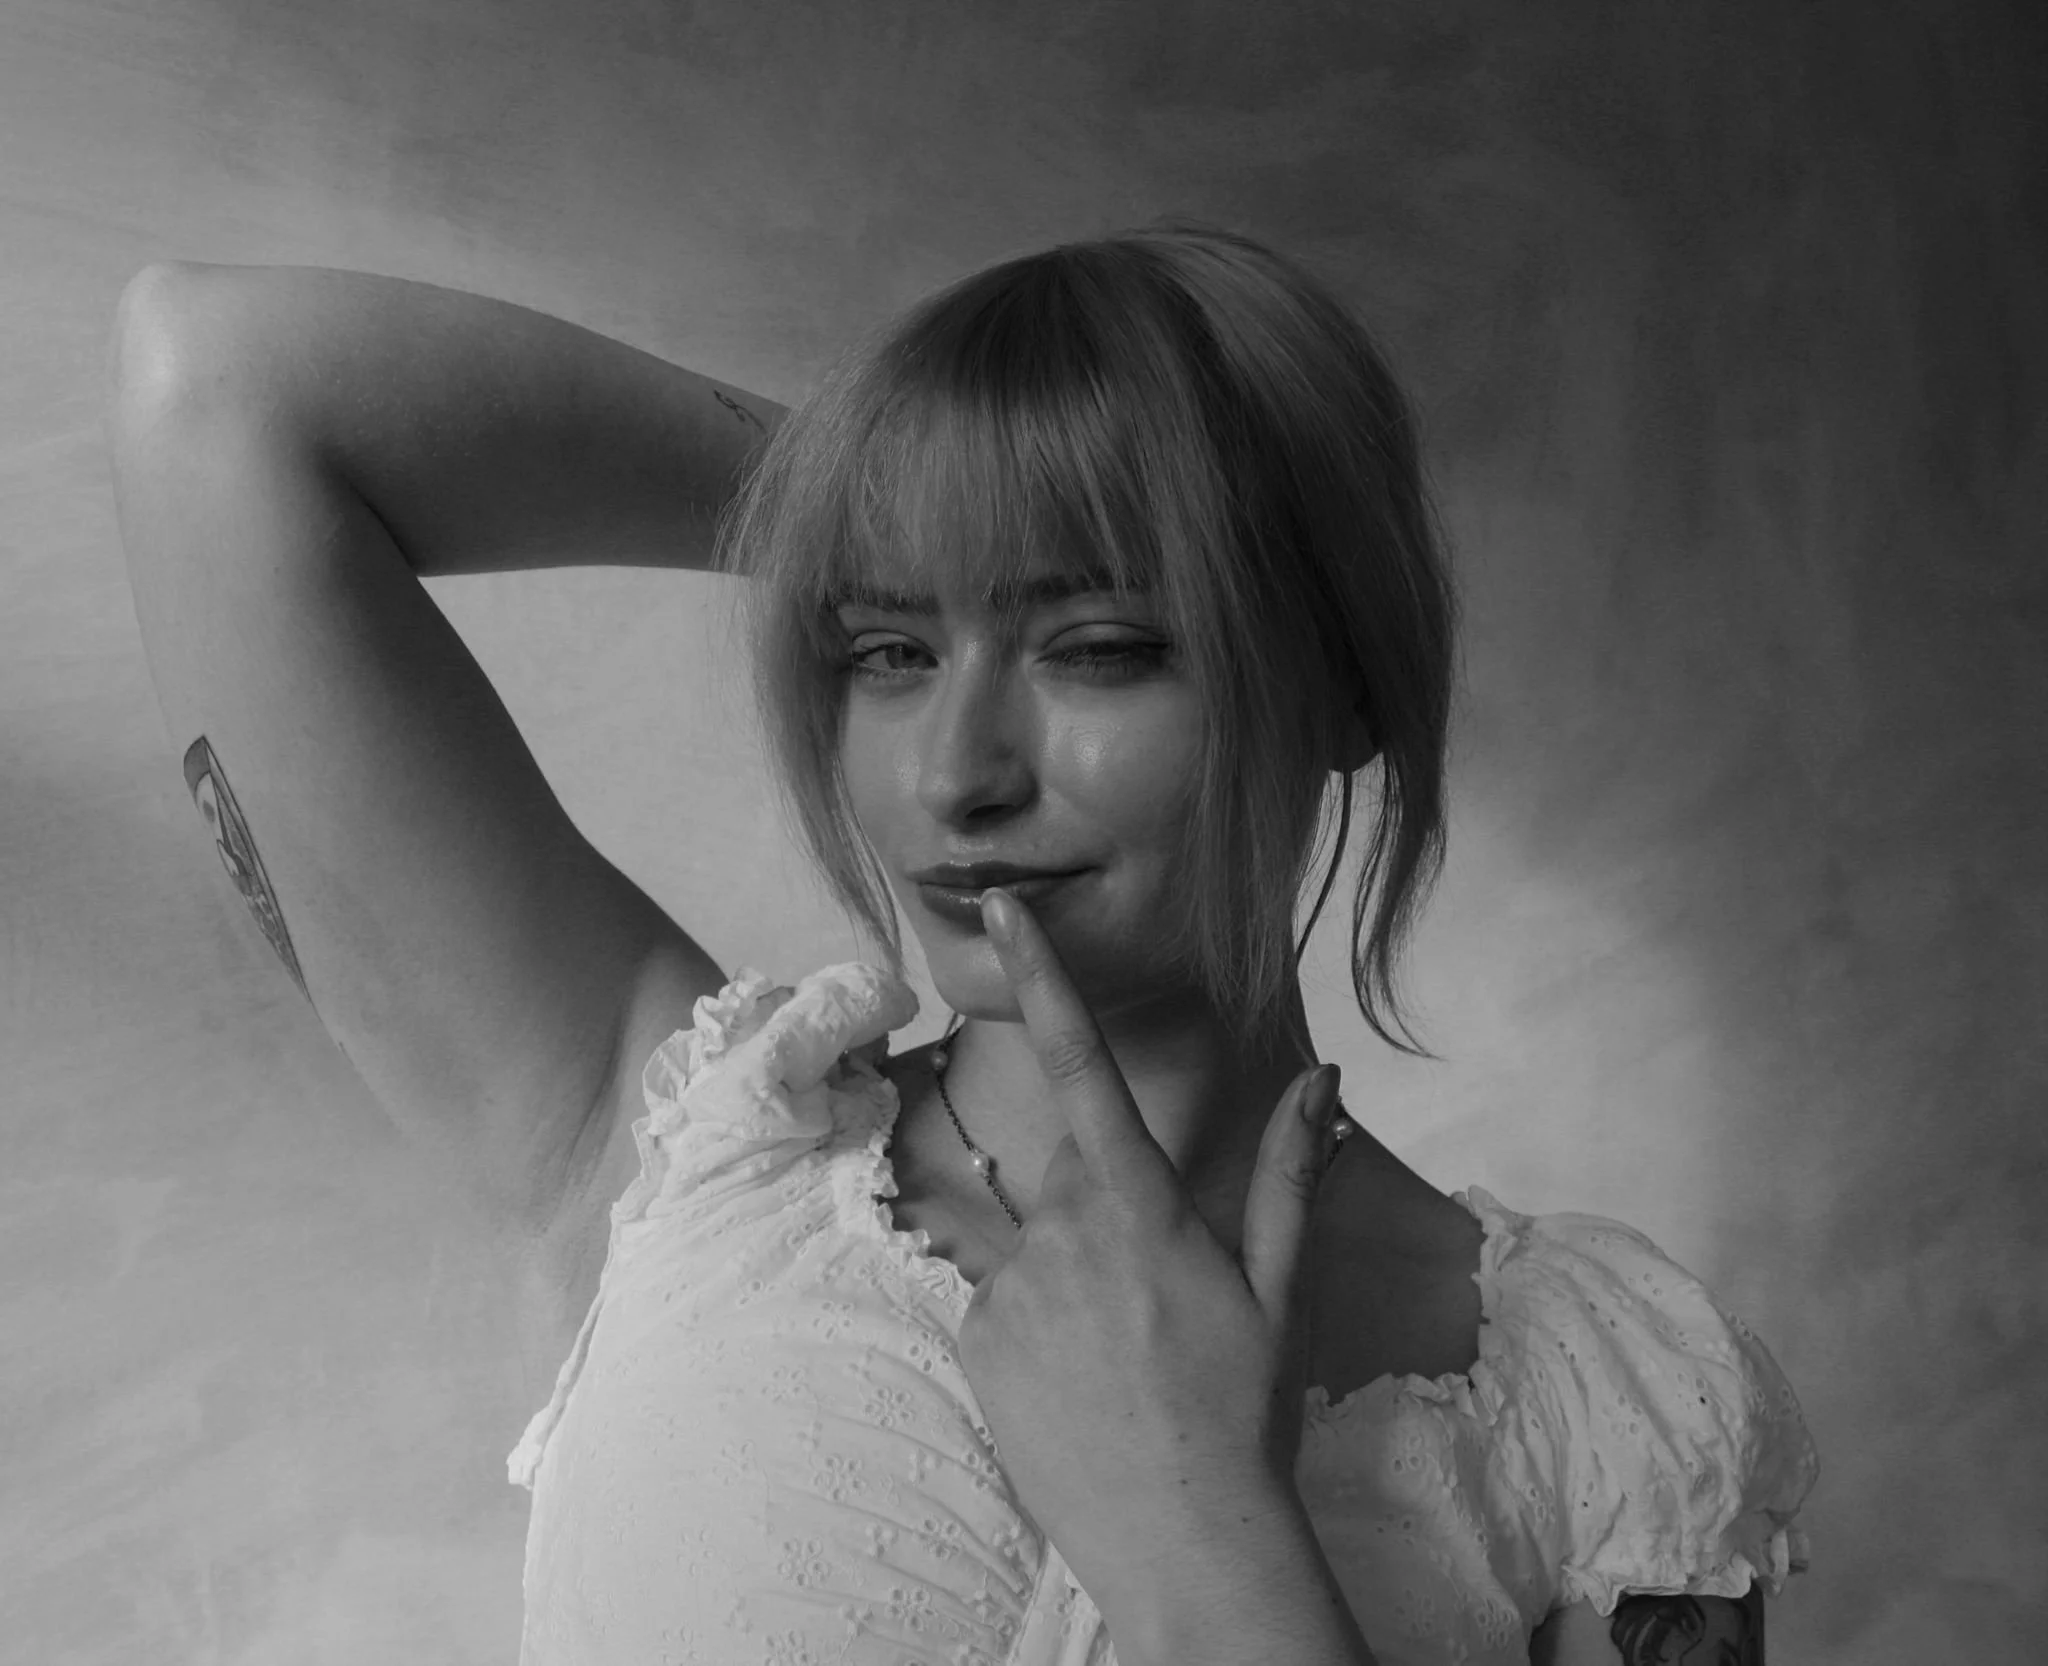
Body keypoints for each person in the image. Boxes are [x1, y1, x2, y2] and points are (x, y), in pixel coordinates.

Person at [108, 219, 1817, 1665]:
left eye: (1097, 644)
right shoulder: (687, 1143)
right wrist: (900, 496)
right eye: (890, 648)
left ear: (1345, 681)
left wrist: (1206, 1542)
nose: (954, 775)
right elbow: (220, 389)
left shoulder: (1608, 1409)